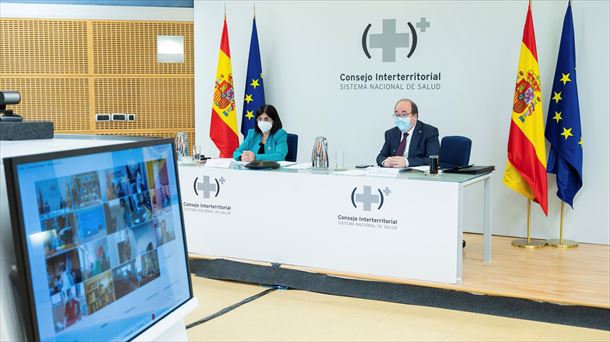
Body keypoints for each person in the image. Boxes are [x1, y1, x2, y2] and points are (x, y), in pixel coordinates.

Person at [377, 99, 440, 168]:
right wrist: (385, 161)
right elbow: (380, 156)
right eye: (397, 115)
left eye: (404, 115)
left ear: (415, 116)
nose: (400, 119)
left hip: (417, 176)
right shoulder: (391, 133)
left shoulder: (429, 132)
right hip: (394, 175)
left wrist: (407, 162)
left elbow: (433, 159)